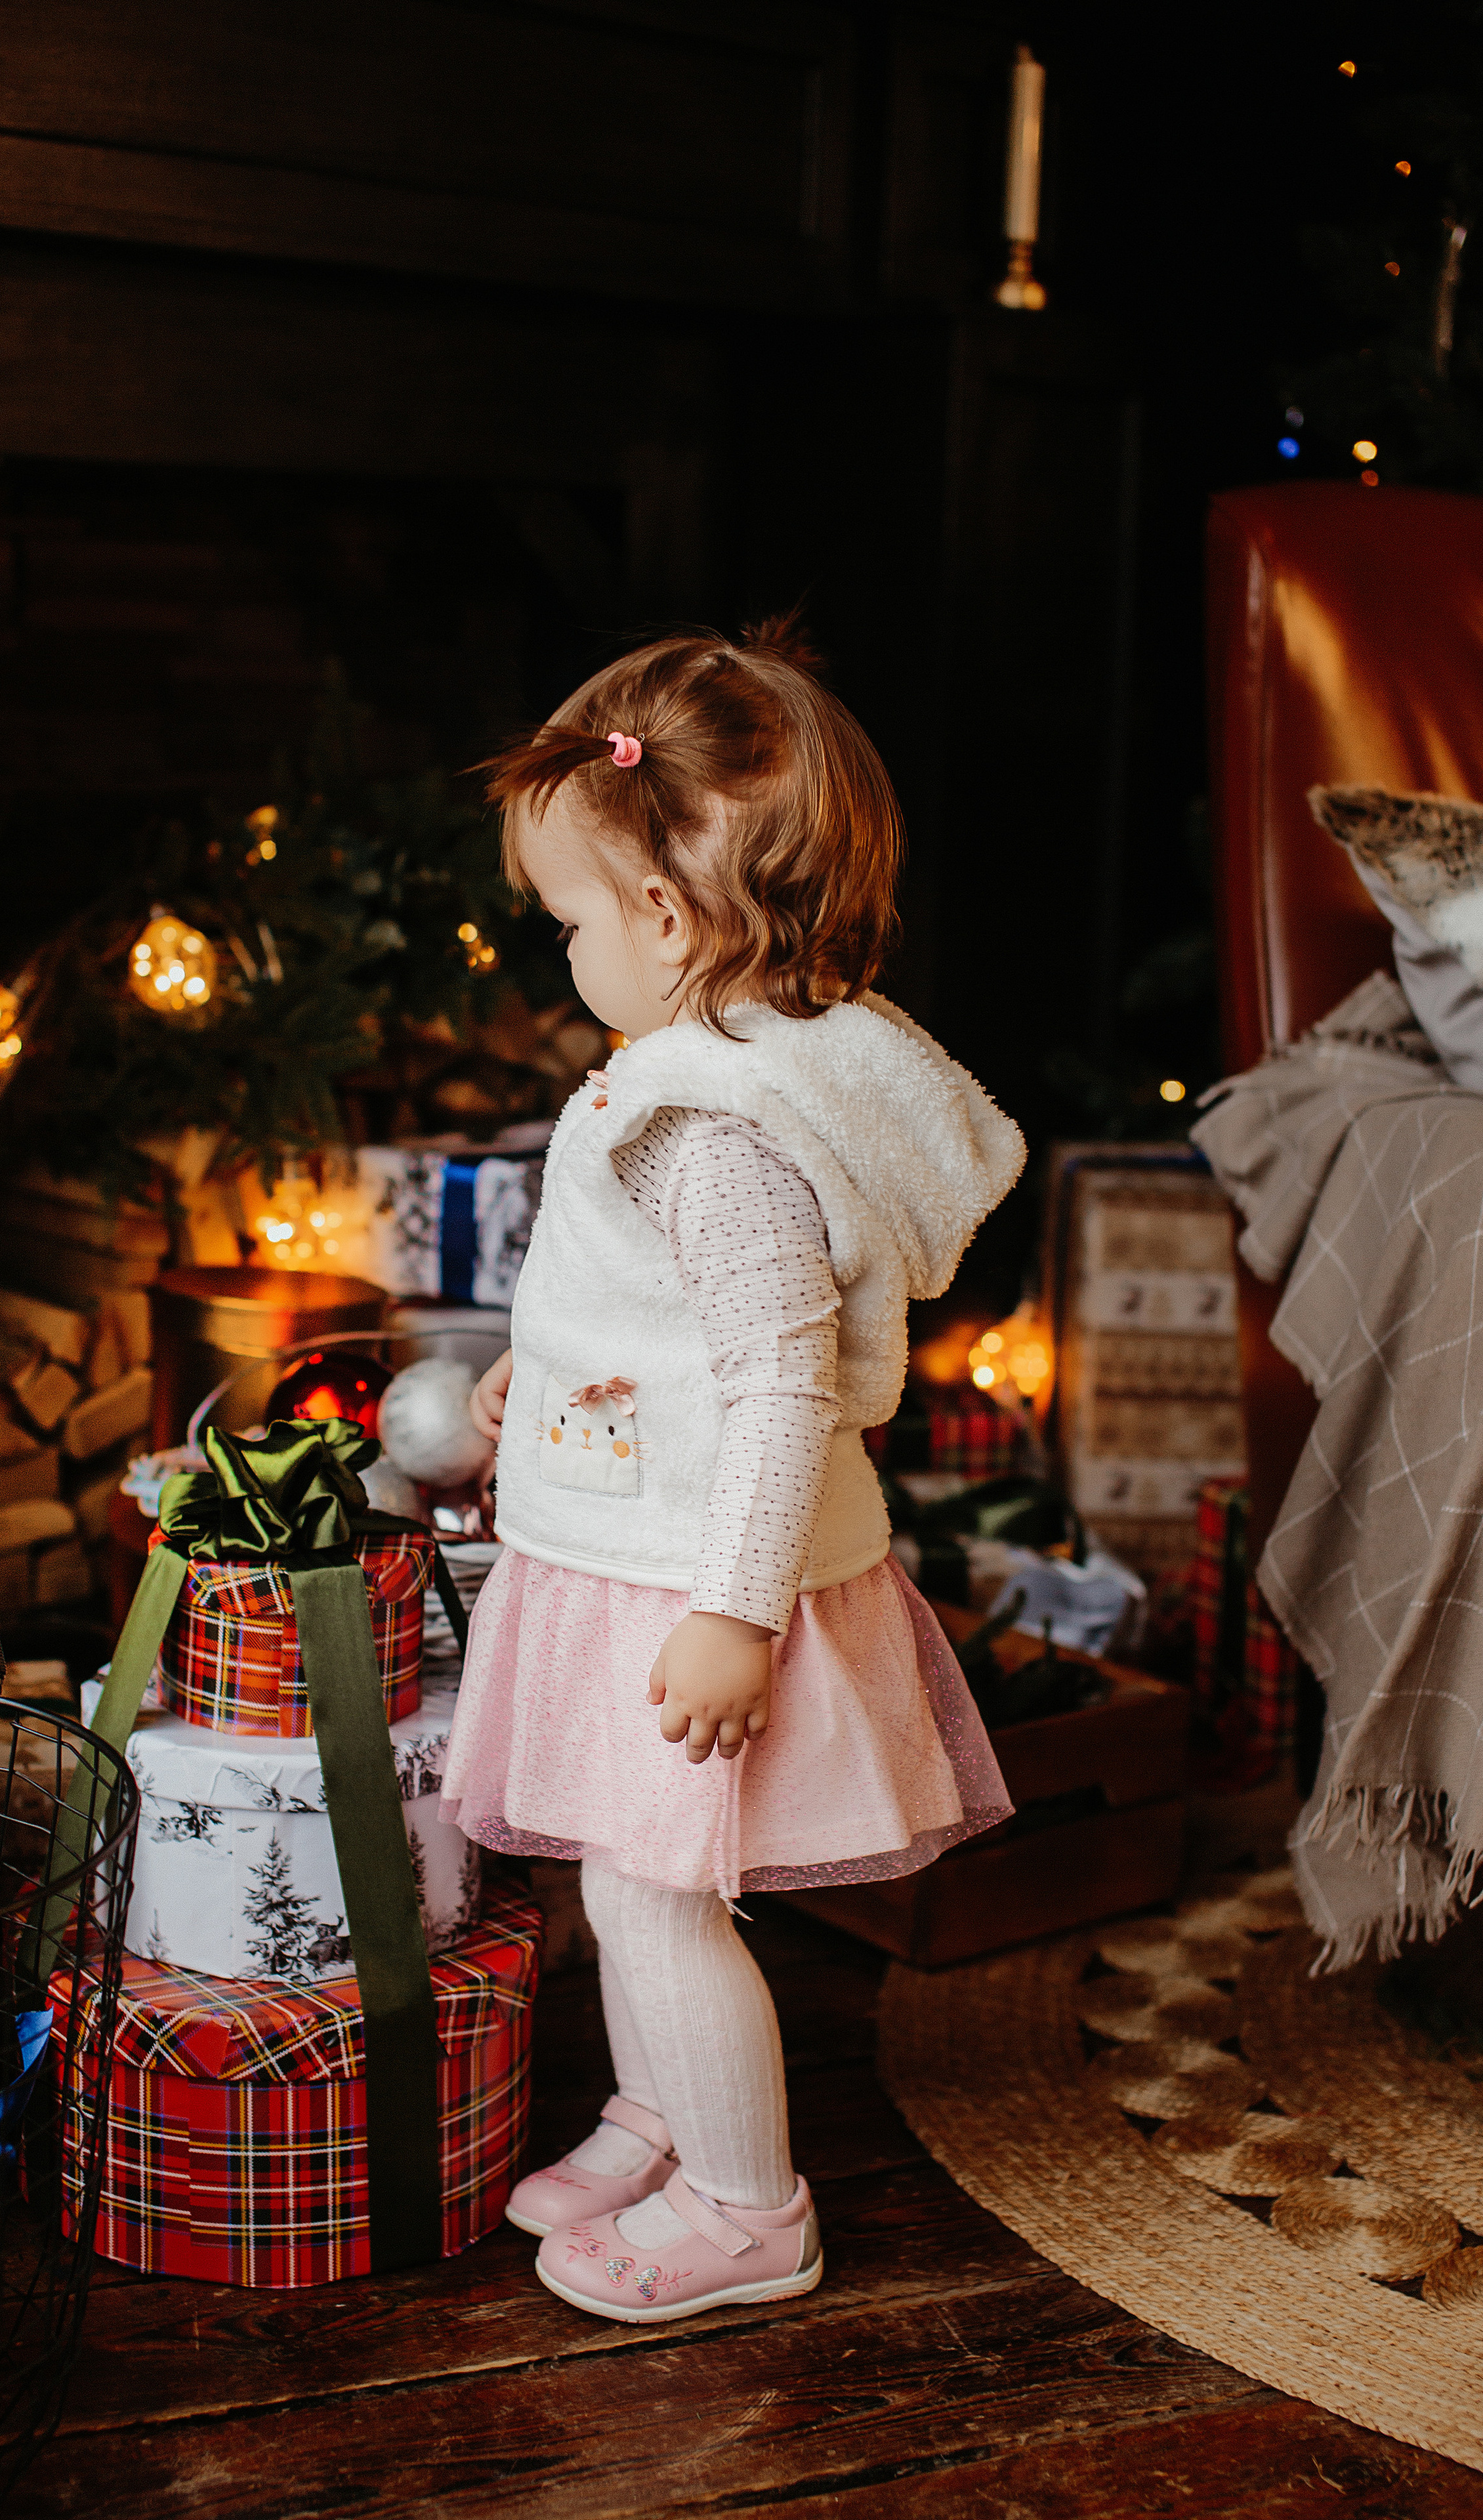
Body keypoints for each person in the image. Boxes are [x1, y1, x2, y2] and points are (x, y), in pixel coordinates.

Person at [438, 616, 1023, 2323]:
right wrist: (538, 1385)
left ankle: (747, 2206)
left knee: (654, 1894)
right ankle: (664, 2108)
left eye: (567, 922)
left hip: (691, 1581)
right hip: (639, 1548)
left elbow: (778, 1385)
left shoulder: (712, 1128)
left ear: (667, 918)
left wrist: (734, 1616)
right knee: (629, 1882)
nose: (562, 955)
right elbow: (656, 1325)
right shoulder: (709, 1075)